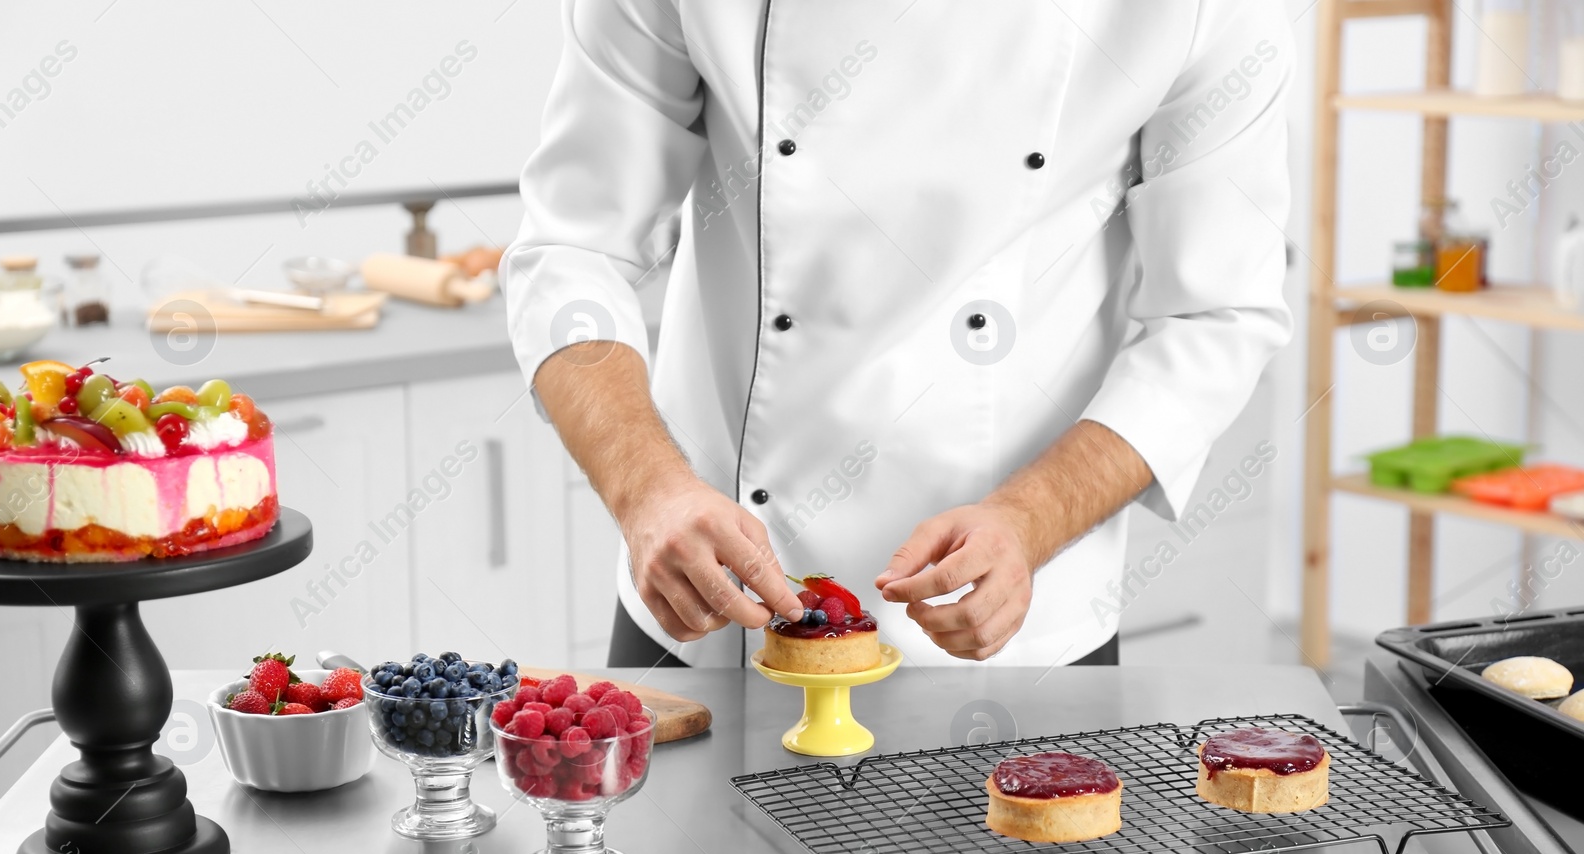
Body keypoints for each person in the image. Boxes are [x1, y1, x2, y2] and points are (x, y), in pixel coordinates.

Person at [504, 1, 1293, 669]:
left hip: (1013, 628)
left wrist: (1034, 517)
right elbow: (572, 247)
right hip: (711, 607)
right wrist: (649, 492)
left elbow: (1216, 315)